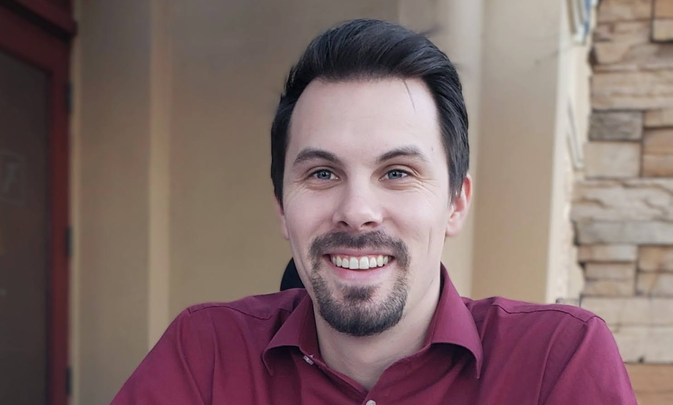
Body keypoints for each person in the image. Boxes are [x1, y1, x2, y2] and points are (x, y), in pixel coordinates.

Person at [112, 19, 636, 404]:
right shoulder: (205, 353)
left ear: (456, 203)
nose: (357, 211)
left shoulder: (556, 361)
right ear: (281, 209)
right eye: (322, 174)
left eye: (397, 172)